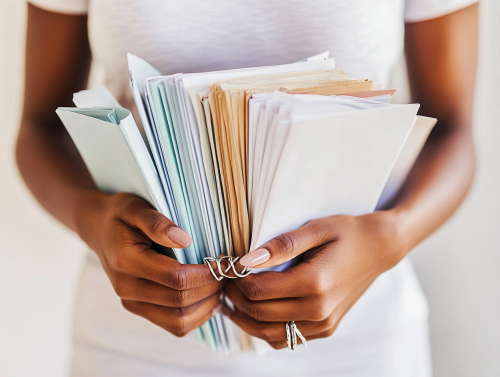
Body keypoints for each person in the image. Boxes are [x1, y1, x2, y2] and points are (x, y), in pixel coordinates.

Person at [17, 0, 478, 376]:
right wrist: (91, 219)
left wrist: (390, 236)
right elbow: (40, 128)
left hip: (358, 339)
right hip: (133, 341)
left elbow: (453, 131)